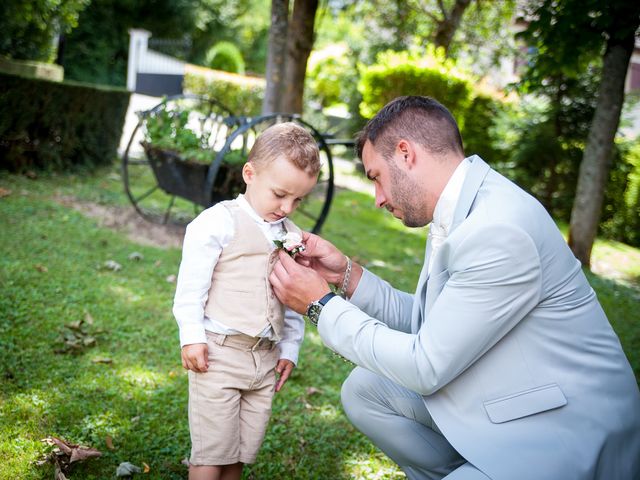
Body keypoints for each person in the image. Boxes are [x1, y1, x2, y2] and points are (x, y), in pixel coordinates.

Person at [269, 96, 640, 480]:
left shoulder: (498, 229)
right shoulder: (463, 205)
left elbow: (425, 365)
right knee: (365, 391)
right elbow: (427, 323)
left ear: (405, 153)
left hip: (565, 432)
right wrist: (345, 274)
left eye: (376, 176)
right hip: (509, 395)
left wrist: (319, 305)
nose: (378, 198)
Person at [173, 122, 320, 480]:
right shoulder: (217, 223)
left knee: (240, 452)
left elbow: (294, 299)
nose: (287, 207)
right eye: (280, 194)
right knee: (212, 454)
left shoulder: (291, 235)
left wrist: (289, 349)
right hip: (219, 356)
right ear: (250, 174)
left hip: (264, 360)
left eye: (298, 199)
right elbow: (191, 288)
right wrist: (192, 336)